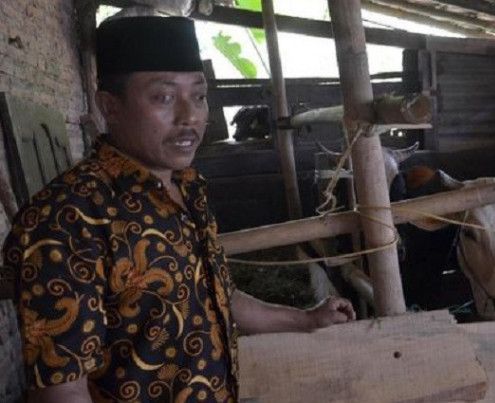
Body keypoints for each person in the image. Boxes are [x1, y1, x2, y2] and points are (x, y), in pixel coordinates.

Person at [1, 16, 355, 402]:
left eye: (199, 96)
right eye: (164, 97)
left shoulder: (188, 189)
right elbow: (62, 389)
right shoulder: (67, 218)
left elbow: (217, 297)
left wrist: (305, 319)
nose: (191, 117)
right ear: (110, 107)